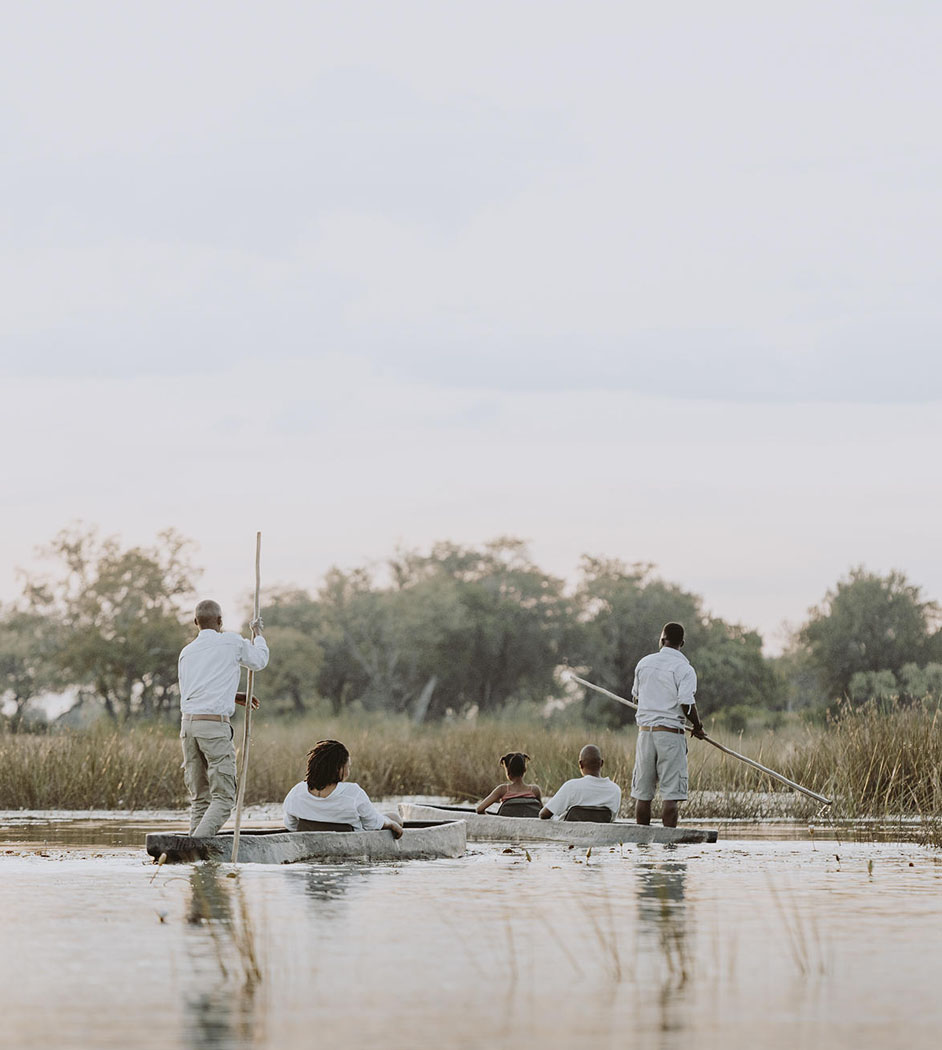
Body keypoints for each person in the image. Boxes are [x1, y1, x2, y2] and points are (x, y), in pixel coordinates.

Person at [177, 599, 270, 837]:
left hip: (188, 726)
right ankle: (196, 845)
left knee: (200, 799)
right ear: (220, 621)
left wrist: (233, 695)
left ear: (196, 622)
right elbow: (259, 661)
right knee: (224, 799)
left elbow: (194, 691)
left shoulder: (186, 652)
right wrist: (258, 634)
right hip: (213, 727)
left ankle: (193, 855)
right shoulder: (231, 641)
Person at [630, 621, 706, 829]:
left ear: (662, 640)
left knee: (643, 795)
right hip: (670, 735)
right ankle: (669, 846)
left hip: (645, 734)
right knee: (670, 796)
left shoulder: (644, 663)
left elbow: (636, 698)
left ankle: (642, 843)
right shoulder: (685, 669)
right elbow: (686, 703)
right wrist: (698, 726)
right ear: (682, 643)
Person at [283, 739, 404, 837]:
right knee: (394, 817)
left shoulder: (296, 792)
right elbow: (372, 824)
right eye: (348, 767)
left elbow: (291, 826)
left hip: (309, 843)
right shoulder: (353, 793)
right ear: (339, 769)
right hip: (351, 844)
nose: (348, 772)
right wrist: (391, 824)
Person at [538, 745, 621, 820]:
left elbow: (544, 814)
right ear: (601, 763)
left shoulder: (571, 787)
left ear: (580, 764)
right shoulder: (615, 790)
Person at [474, 752, 542, 813]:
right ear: (524, 770)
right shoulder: (535, 790)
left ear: (508, 771)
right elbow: (542, 813)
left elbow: (479, 809)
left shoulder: (502, 790)